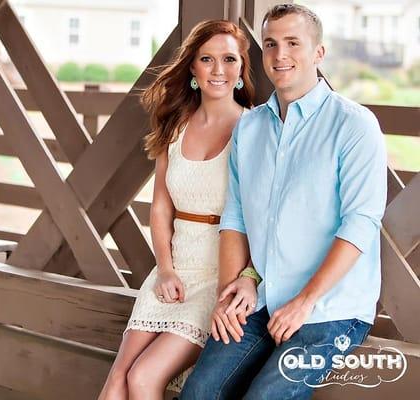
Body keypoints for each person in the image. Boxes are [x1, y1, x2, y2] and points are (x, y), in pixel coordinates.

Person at [180, 4, 387, 400]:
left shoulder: (354, 125)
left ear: (318, 54)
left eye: (294, 43)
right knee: (199, 393)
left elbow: (360, 223)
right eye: (271, 44)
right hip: (262, 299)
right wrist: (234, 287)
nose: (280, 55)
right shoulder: (251, 127)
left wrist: (305, 301)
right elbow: (237, 215)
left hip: (329, 311)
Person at [98, 20, 257, 399]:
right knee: (119, 375)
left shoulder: (253, 128)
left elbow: (260, 215)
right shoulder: (176, 125)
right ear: (192, 68)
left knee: (143, 377)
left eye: (229, 59)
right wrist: (165, 271)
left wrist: (247, 276)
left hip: (219, 275)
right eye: (207, 59)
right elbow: (159, 208)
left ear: (240, 71)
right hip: (172, 271)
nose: (218, 70)